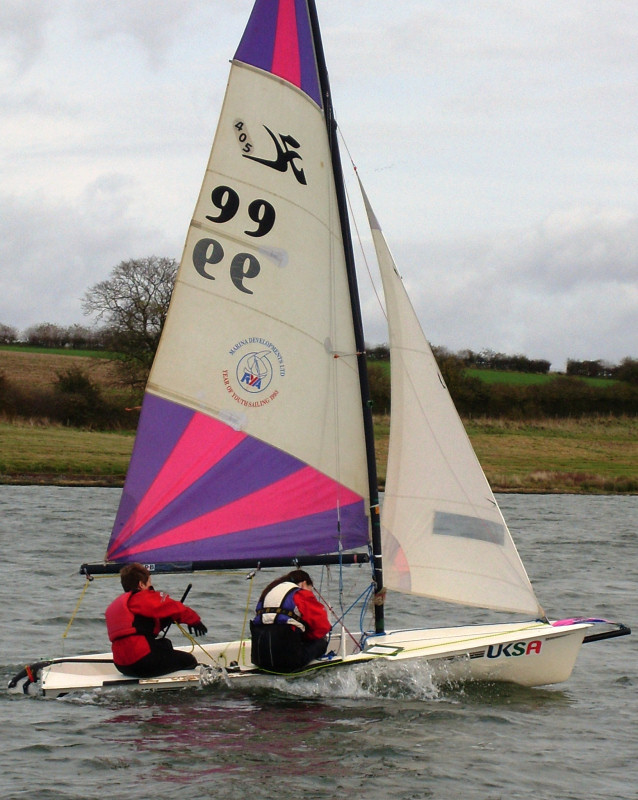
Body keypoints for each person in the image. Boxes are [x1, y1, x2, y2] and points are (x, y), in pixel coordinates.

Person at [105, 562, 208, 678]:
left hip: (122, 665)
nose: (151, 587)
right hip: (143, 662)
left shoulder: (117, 605)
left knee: (165, 644)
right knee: (188, 660)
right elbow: (173, 606)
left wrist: (166, 620)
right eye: (149, 583)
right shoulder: (141, 598)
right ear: (141, 585)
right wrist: (194, 620)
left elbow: (140, 626)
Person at [250, 569, 331, 672]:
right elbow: (322, 627)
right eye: (309, 589)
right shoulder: (300, 594)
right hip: (288, 662)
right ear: (304, 583)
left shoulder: (268, 592)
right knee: (321, 641)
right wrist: (306, 637)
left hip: (260, 659)